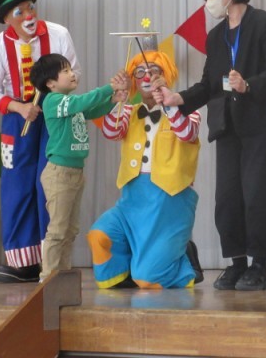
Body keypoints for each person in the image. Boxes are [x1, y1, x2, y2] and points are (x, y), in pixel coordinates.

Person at [158, 0, 266, 291]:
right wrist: (178, 98)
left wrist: (248, 85)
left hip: (264, 125)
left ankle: (259, 266)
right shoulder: (216, 36)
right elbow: (208, 85)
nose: (209, 1)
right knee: (227, 199)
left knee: (258, 197)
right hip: (228, 126)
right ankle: (237, 263)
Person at [0, 0, 81, 283]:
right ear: (6, 19)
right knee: (18, 185)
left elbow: (74, 73)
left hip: (55, 113)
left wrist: (54, 98)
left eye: (31, 8)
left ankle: (51, 260)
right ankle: (23, 262)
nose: (29, 16)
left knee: (51, 183)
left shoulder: (58, 34)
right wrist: (19, 107)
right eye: (20, 11)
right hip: (18, 119)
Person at [87, 49, 203, 289]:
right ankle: (126, 274)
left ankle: (184, 260)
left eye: (154, 71)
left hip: (169, 201)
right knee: (99, 237)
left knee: (149, 280)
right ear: (134, 81)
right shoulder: (129, 111)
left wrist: (168, 104)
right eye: (140, 72)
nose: (147, 76)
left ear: (167, 76)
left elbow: (187, 133)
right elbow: (111, 132)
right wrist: (119, 99)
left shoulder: (188, 109)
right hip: (132, 200)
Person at [29, 53, 123, 282]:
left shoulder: (69, 104)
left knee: (70, 230)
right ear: (50, 83)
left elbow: (91, 110)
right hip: (59, 174)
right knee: (58, 229)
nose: (72, 74)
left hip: (75, 172)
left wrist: (113, 100)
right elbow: (82, 103)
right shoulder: (53, 101)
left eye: (71, 69)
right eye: (65, 71)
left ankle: (62, 276)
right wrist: (109, 88)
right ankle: (48, 278)